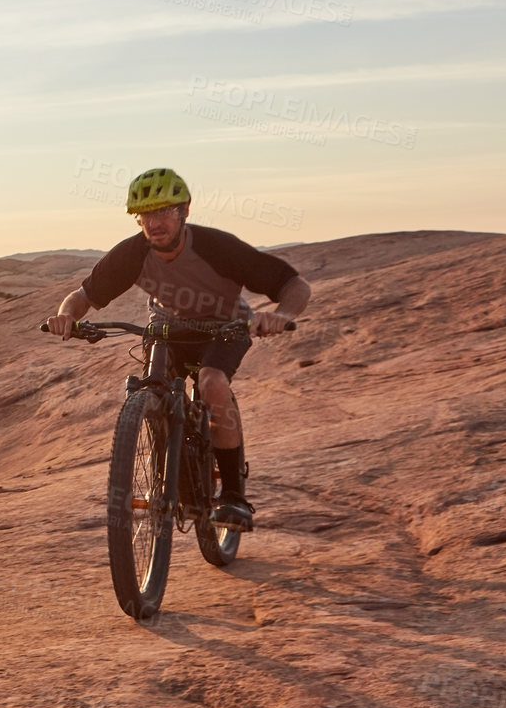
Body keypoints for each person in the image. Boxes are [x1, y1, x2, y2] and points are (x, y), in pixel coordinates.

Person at [45, 168, 311, 530]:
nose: (154, 222)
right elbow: (82, 297)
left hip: (225, 326)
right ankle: (169, 473)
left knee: (212, 384)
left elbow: (294, 284)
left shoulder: (217, 247)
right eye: (145, 215)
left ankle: (233, 496)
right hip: (168, 329)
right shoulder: (131, 253)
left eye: (163, 212)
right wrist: (65, 318)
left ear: (184, 211)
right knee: (150, 387)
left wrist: (280, 315)